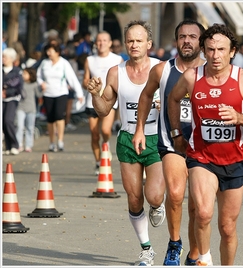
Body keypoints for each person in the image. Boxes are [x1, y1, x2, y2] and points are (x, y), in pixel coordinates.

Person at [167, 23, 243, 266]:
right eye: (210, 49)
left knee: (227, 227)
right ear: (204, 50)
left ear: (232, 51)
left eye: (221, 49)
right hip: (202, 157)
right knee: (202, 213)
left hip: (235, 161)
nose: (215, 55)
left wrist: (239, 117)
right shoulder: (192, 77)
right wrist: (176, 133)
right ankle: (204, 259)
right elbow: (173, 98)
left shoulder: (242, 79)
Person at [86, 20, 166, 266]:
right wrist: (95, 94)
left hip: (155, 139)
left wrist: (167, 107)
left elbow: (180, 100)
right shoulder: (115, 72)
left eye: (139, 40)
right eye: (130, 40)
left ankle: (157, 205)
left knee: (153, 196)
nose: (134, 45)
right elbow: (103, 111)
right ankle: (146, 249)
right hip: (128, 139)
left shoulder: (161, 69)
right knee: (133, 198)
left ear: (148, 44)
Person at [132, 19, 206, 266]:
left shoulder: (210, 71)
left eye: (193, 36)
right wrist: (140, 129)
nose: (187, 41)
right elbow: (145, 96)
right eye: (182, 36)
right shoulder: (162, 70)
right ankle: (174, 244)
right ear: (176, 41)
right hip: (171, 140)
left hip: (202, 146)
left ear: (201, 42)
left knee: (197, 205)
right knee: (175, 194)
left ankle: (194, 254)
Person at [82, 31, 124, 175]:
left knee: (105, 130)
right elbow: (85, 81)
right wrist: (90, 83)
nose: (101, 43)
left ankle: (106, 143)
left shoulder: (117, 59)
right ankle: (98, 162)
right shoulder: (89, 60)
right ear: (96, 43)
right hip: (92, 101)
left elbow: (121, 80)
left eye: (105, 40)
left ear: (110, 43)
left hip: (109, 100)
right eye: (99, 41)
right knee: (94, 135)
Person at [36, 42, 84, 152]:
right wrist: (41, 83)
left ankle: (60, 141)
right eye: (47, 51)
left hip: (61, 93)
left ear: (57, 52)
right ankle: (52, 142)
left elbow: (72, 79)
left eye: (51, 51)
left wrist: (79, 93)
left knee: (59, 116)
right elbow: (39, 76)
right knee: (50, 118)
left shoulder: (64, 63)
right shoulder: (44, 63)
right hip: (48, 93)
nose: (49, 53)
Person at [2, 48, 23, 155]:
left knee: (8, 120)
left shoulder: (16, 71)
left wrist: (7, 92)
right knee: (2, 123)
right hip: (2, 100)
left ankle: (15, 144)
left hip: (12, 99)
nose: (3, 59)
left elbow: (18, 86)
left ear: (11, 59)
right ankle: (8, 146)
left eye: (5, 57)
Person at [16, 68, 41, 153]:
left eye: (25, 74)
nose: (23, 75)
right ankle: (18, 144)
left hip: (31, 108)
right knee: (19, 126)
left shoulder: (34, 84)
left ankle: (28, 145)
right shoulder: (20, 84)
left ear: (31, 75)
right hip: (20, 107)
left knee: (30, 127)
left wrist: (44, 89)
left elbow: (39, 95)